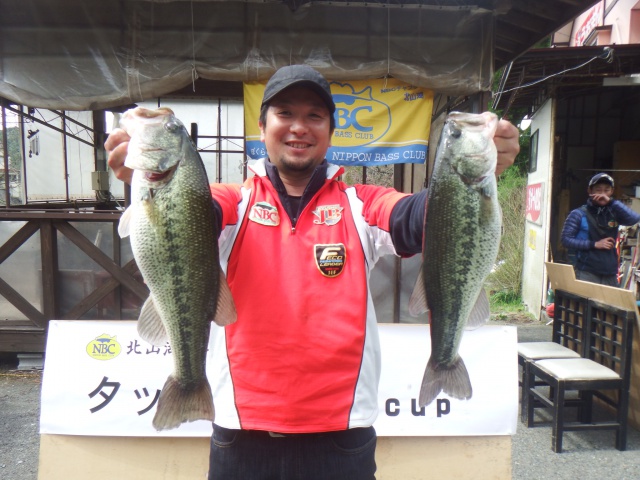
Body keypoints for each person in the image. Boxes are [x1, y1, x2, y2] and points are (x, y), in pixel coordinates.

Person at [105, 65, 519, 480]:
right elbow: (189, 218)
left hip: (342, 437)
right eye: (285, 113)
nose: (299, 127)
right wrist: (142, 176)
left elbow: (419, 217)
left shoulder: (362, 203)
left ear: (330, 131)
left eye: (314, 116)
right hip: (241, 433)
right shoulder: (228, 201)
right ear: (262, 126)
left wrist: (471, 178)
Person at [561, 172, 640, 287]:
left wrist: (612, 202)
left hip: (610, 273)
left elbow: (634, 219)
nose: (602, 194)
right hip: (587, 272)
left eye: (607, 190)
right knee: (588, 305)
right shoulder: (578, 214)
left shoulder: (614, 212)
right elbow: (565, 240)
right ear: (590, 191)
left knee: (609, 305)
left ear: (612, 192)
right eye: (598, 190)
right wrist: (594, 244)